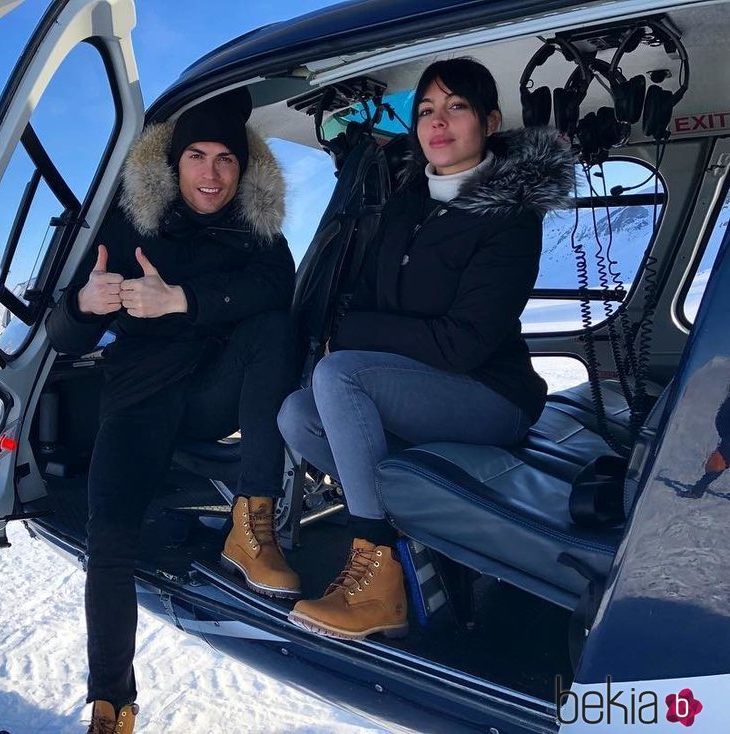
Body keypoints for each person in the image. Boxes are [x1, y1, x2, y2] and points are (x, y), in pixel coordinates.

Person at [278, 58, 575, 640]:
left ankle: (377, 566)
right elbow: (358, 300)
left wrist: (359, 334)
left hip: (491, 397)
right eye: (427, 111)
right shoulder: (406, 204)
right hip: (415, 386)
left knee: (341, 376)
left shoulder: (511, 218)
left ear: (489, 121)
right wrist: (359, 329)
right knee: (297, 415)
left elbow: (461, 345)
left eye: (457, 107)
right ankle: (411, 529)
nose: (439, 123)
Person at [45, 88, 300, 733]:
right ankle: (111, 704)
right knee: (111, 534)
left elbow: (277, 290)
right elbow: (61, 333)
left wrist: (181, 300)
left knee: (272, 329)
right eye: (196, 156)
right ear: (174, 163)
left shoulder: (257, 233)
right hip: (137, 395)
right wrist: (86, 306)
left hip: (211, 395)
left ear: (243, 171)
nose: (210, 174)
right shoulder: (130, 224)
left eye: (225, 160)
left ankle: (253, 521)